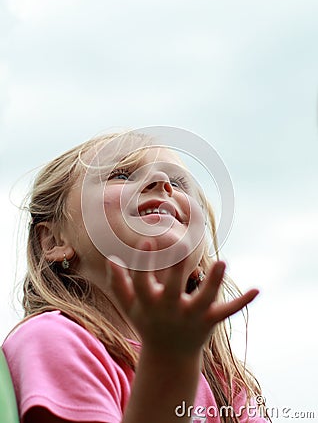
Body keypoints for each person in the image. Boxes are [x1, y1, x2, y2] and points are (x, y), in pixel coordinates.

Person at [2, 130, 269, 423]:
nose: (162, 183)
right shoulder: (55, 340)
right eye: (121, 174)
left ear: (199, 261)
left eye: (179, 182)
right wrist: (170, 368)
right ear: (53, 240)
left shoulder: (227, 384)